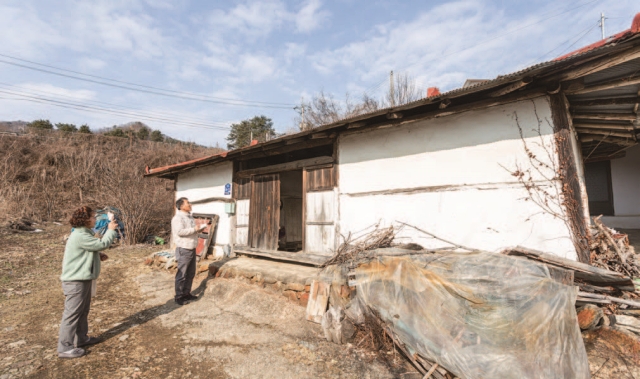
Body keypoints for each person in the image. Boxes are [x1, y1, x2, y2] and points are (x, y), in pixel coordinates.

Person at [58, 206, 118, 359]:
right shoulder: (80, 235)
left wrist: (97, 255)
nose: (95, 220)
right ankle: (65, 347)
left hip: (83, 279)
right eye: (92, 217)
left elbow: (89, 249)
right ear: (85, 220)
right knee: (72, 314)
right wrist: (111, 230)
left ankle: (82, 338)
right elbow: (102, 243)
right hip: (75, 281)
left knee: (82, 311)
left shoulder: (84, 233)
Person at [172, 197, 206, 305]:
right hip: (184, 248)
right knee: (182, 274)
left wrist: (198, 229)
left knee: (190, 273)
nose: (190, 204)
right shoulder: (178, 218)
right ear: (181, 206)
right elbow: (180, 232)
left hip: (191, 247)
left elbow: (190, 231)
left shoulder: (190, 217)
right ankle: (179, 296)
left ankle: (186, 293)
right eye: (188, 203)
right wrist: (195, 229)